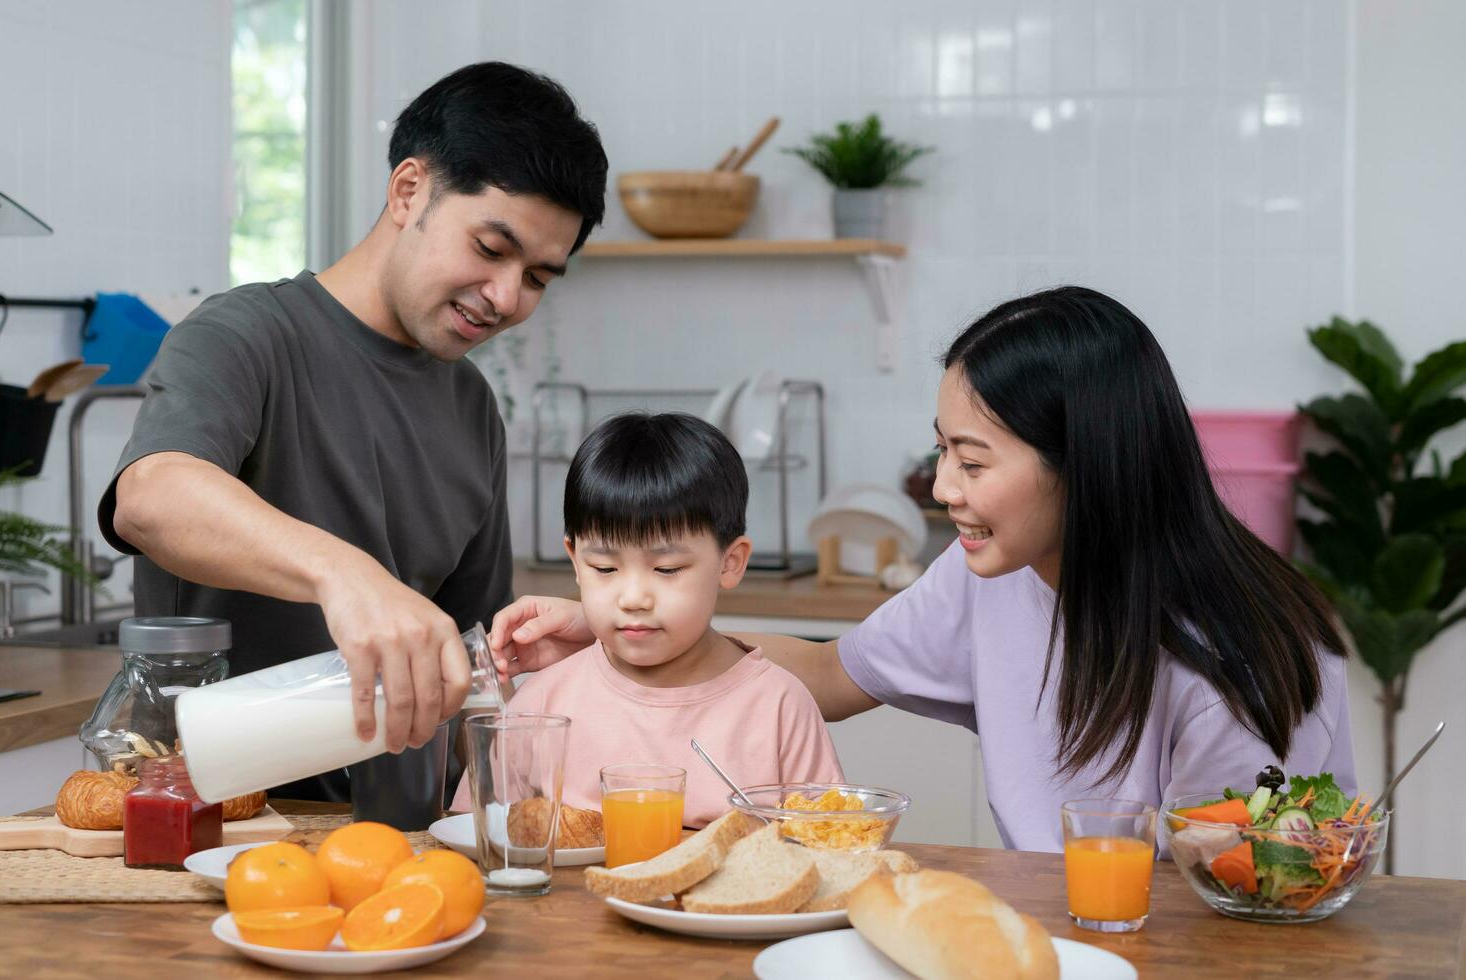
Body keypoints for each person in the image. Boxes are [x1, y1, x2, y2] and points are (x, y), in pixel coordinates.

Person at [484, 286, 1357, 851]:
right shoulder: (992, 575)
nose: (942, 489)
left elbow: (1244, 891)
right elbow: (831, 669)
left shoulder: (1236, 661)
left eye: (974, 464)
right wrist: (613, 627)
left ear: (1087, 465)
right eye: (941, 452)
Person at [98, 62, 608, 801]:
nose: (505, 296)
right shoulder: (244, 334)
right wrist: (347, 576)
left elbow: (475, 661)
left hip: (404, 844)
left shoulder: (471, 405)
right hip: (223, 829)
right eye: (491, 249)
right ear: (409, 191)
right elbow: (151, 498)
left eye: (536, 278)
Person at [452, 412, 843, 826]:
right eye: (605, 568)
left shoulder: (779, 706)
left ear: (730, 563)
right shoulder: (541, 706)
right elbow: (481, 839)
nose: (633, 598)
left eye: (667, 569)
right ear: (575, 562)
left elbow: (829, 851)